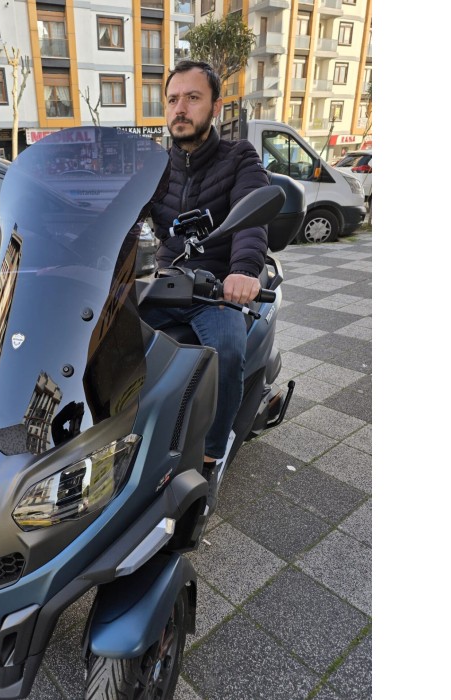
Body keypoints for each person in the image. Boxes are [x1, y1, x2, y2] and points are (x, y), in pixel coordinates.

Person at [142, 60, 269, 514]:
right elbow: (123, 219)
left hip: (215, 288)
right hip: (166, 282)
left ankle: (213, 454)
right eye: (173, 99)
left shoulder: (239, 158)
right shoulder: (154, 166)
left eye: (193, 98)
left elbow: (252, 218)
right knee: (103, 339)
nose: (180, 108)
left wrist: (244, 271)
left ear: (215, 106)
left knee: (227, 349)